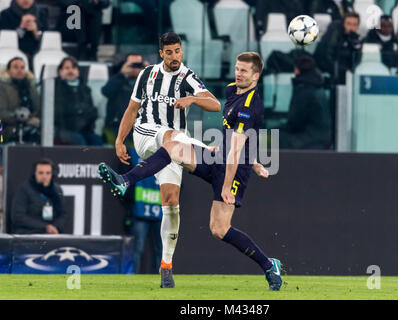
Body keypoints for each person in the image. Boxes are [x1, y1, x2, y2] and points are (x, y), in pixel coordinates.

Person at [98, 52, 283, 291]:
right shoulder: (231, 90)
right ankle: (124, 180)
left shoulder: (250, 103)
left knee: (219, 229)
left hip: (234, 170)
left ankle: (269, 265)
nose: (238, 73)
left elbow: (237, 149)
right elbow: (240, 138)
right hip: (217, 156)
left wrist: (230, 183)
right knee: (173, 146)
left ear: (256, 76)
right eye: (237, 68)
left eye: (244, 71)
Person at [101, 32, 221, 287]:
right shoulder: (146, 75)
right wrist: (120, 140)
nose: (175, 56)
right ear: (161, 53)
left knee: (171, 202)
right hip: (146, 134)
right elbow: (132, 109)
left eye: (178, 51)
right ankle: (127, 180)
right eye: (170, 52)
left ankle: (166, 265)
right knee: (172, 135)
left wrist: (193, 99)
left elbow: (216, 105)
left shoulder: (187, 76)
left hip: (172, 149)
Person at [280, 56, 331, 150]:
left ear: (297, 70)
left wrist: (279, 128)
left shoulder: (304, 89)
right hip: (322, 137)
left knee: (269, 138)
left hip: (310, 139)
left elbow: (296, 122)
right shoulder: (317, 87)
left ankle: (261, 163)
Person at [54, 56, 102, 146]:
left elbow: (92, 111)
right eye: (67, 68)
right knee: (80, 141)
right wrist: (79, 110)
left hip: (85, 129)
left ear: (78, 71)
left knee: (97, 140)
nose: (70, 71)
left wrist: (82, 114)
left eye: (74, 68)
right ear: (60, 72)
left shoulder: (85, 89)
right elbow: (59, 112)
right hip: (63, 130)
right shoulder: (55, 88)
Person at [102, 53, 147, 148]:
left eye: (139, 65)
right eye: (132, 65)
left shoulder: (146, 83)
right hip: (116, 127)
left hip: (139, 129)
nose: (135, 69)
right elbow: (106, 91)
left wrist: (149, 75)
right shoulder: (118, 80)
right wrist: (121, 74)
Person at [10, 158, 67, 234]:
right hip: (28, 234)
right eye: (41, 173)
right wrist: (45, 227)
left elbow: (63, 214)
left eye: (48, 173)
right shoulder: (24, 189)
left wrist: (54, 227)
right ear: (34, 173)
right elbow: (18, 217)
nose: (44, 176)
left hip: (52, 234)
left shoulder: (57, 190)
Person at [129, 148, 162, 274]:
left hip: (160, 212)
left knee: (160, 250)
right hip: (140, 211)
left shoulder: (166, 155)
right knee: (137, 249)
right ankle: (132, 277)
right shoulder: (133, 154)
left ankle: (161, 278)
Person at [0, 57, 41, 144]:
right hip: (9, 130)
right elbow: (2, 113)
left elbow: (39, 109)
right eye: (15, 67)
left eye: (22, 67)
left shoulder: (32, 87)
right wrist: (24, 119)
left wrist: (36, 120)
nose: (20, 70)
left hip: (34, 127)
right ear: (8, 70)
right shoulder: (2, 88)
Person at [314, 11, 362, 84]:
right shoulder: (335, 34)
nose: (351, 27)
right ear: (343, 24)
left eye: (354, 25)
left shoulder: (356, 40)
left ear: (358, 27)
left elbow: (357, 60)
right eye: (348, 24)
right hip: (330, 71)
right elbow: (327, 55)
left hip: (346, 74)